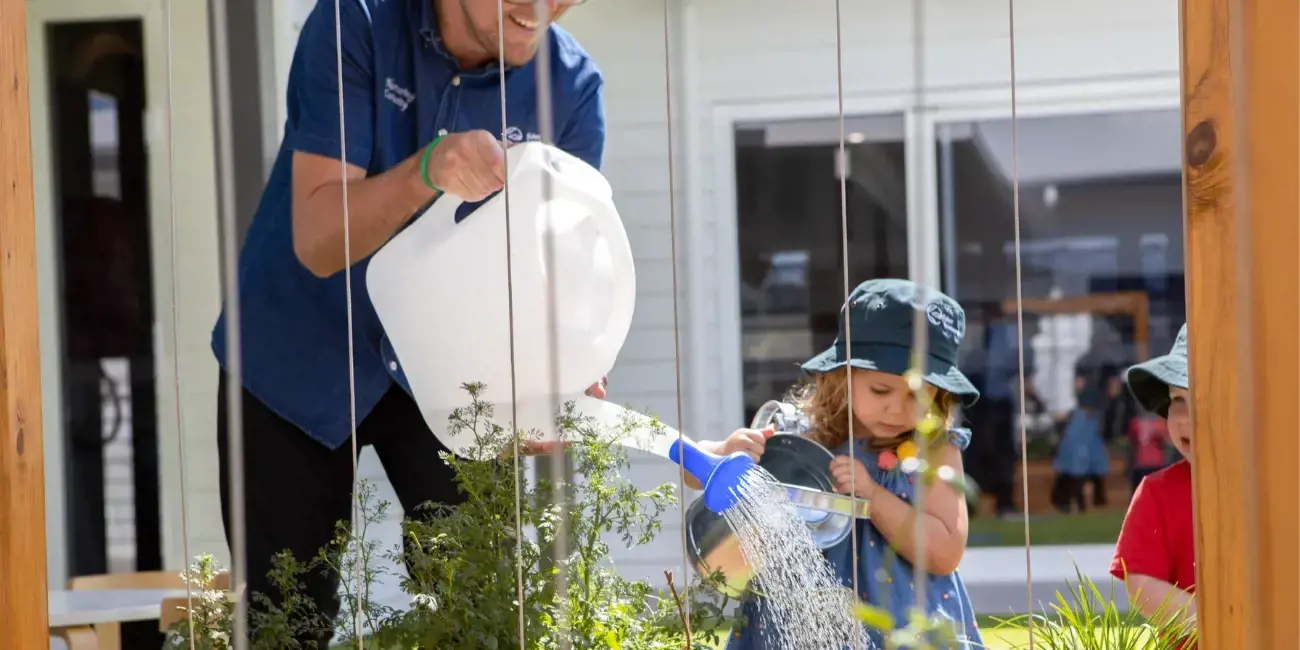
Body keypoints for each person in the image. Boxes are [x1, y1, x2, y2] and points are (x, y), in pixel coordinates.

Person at [210, 0, 607, 643]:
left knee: (483, 616)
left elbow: (555, 273)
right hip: (294, 357)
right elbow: (316, 239)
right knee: (284, 625)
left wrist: (563, 369)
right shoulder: (354, 21)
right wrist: (431, 168)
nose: (545, 6)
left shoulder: (573, 88)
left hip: (448, 374)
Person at [701, 279, 984, 649]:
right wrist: (726, 451)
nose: (897, 409)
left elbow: (945, 552)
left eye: (918, 395)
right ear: (841, 378)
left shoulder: (934, 451)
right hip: (797, 625)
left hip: (902, 628)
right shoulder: (800, 436)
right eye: (881, 390)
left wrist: (872, 497)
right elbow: (695, 473)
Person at [1110, 324, 1197, 642]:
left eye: (1200, 397)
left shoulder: (1278, 487)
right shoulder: (1157, 491)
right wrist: (1216, 620)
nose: (1185, 417)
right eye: (1177, 399)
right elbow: (1142, 583)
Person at [1050, 377, 1110, 513]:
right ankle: (1077, 504)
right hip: (1077, 452)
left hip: (1079, 452)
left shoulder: (1084, 416)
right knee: (1076, 478)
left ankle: (1079, 504)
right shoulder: (1086, 416)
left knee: (1078, 477)